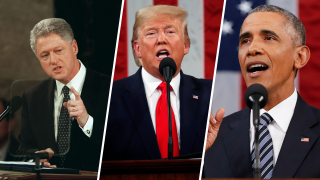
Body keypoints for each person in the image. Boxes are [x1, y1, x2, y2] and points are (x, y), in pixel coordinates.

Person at [203, 5, 320, 178]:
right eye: (245, 41)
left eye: (268, 38)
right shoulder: (212, 138)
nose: (252, 49)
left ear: (299, 57)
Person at [104, 5, 212, 160]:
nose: (161, 39)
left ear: (186, 45)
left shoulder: (208, 93)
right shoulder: (112, 96)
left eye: (170, 31)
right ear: (138, 49)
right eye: (151, 33)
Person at [16, 18, 110, 171]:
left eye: (58, 51)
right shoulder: (32, 96)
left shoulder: (109, 88)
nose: (53, 60)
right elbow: (24, 150)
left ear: (74, 47)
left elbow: (119, 145)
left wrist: (87, 122)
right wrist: (36, 158)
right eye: (45, 55)